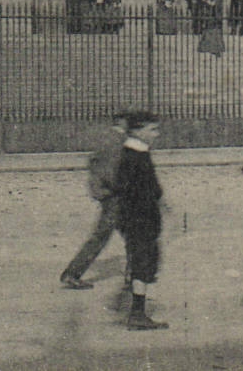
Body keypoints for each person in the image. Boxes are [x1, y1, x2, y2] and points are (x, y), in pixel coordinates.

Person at [60, 111, 129, 290]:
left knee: (128, 235)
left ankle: (133, 275)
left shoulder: (108, 138)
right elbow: (111, 172)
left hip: (109, 195)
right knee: (103, 236)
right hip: (115, 197)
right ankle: (72, 274)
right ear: (122, 121)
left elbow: (93, 162)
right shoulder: (117, 141)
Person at [113, 110, 167, 329]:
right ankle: (137, 314)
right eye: (152, 129)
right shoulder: (134, 156)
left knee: (144, 264)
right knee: (142, 265)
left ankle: (136, 310)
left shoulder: (137, 153)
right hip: (140, 221)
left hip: (140, 220)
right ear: (137, 131)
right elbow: (139, 192)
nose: (157, 134)